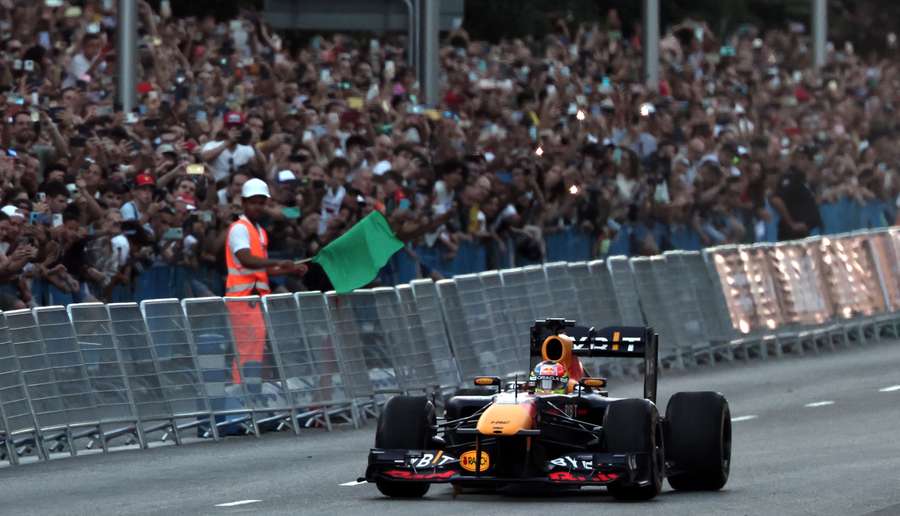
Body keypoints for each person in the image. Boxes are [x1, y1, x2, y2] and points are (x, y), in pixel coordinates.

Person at [225, 178, 306, 383]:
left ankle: (251, 389)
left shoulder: (259, 231)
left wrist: (288, 269)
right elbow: (247, 259)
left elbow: (261, 269)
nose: (258, 206)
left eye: (261, 202)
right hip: (242, 299)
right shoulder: (239, 228)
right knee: (247, 348)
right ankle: (241, 392)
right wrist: (280, 262)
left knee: (257, 347)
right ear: (243, 203)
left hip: (256, 299)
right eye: (253, 202)